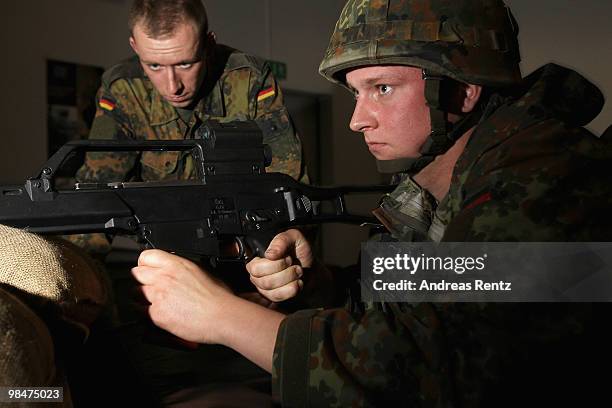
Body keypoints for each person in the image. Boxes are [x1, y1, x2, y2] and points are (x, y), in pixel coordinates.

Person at [131, 0, 612, 406]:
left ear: (460, 90)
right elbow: (418, 298)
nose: (357, 121)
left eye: (382, 89)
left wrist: (223, 316)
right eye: (356, 94)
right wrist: (316, 286)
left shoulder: (549, 179)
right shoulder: (447, 179)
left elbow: (442, 363)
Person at [71, 0, 306, 254]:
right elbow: (98, 193)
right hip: (167, 253)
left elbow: (288, 186)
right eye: (154, 66)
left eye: (185, 64)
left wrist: (277, 260)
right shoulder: (124, 91)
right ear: (134, 46)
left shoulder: (247, 80)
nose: (173, 86)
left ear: (208, 44)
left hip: (247, 251)